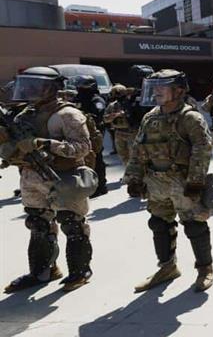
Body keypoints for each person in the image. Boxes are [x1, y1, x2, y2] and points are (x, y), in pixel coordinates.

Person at [0, 66, 95, 292]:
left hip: (63, 177)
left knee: (72, 224)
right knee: (38, 223)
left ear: (52, 88)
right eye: (26, 85)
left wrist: (45, 144)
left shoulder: (67, 114)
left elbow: (83, 148)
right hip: (31, 177)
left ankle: (80, 272)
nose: (29, 90)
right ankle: (42, 271)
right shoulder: (25, 114)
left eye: (35, 85)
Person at [125, 70, 213, 293]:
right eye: (154, 87)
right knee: (159, 224)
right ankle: (167, 267)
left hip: (182, 182)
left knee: (194, 225)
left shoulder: (190, 118)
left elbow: (202, 151)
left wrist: (195, 183)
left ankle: (205, 269)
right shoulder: (150, 117)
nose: (156, 91)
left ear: (179, 90)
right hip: (156, 182)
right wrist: (134, 177)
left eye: (162, 87)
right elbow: (138, 148)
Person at [71, 75, 108, 198]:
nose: (79, 88)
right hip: (80, 133)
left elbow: (98, 115)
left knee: (96, 158)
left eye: (82, 85)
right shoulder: (77, 99)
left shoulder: (97, 100)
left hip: (94, 133)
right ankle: (87, 185)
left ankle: (100, 186)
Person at [103, 84, 137, 167]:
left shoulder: (131, 104)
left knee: (133, 155)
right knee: (123, 154)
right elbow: (105, 119)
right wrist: (114, 116)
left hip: (131, 132)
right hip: (119, 132)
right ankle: (127, 170)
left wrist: (125, 114)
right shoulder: (112, 106)